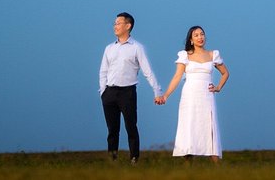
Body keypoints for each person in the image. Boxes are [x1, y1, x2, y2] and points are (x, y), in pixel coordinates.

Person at [98, 12, 164, 164]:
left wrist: (157, 90)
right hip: (109, 92)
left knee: (131, 127)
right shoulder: (109, 48)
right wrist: (103, 91)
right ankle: (112, 159)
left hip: (127, 92)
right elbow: (103, 71)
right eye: (114, 23)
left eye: (118, 23)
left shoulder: (137, 47)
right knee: (112, 129)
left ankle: (134, 158)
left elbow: (147, 71)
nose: (115, 26)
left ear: (128, 26)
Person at [158, 25, 230, 161]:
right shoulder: (185, 55)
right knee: (189, 127)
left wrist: (218, 87)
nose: (200, 37)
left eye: (202, 34)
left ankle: (217, 167)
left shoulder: (212, 54)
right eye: (196, 35)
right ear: (191, 39)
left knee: (209, 129)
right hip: (190, 96)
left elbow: (225, 73)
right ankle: (188, 167)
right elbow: (177, 76)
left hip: (207, 96)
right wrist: (165, 95)